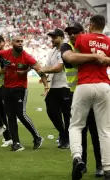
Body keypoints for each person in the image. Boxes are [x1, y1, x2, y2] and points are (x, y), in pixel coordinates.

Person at [62, 15, 110, 180]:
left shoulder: (82, 38)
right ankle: (107, 167)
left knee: (75, 126)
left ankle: (77, 157)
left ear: (90, 25)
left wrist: (92, 56)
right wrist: (102, 58)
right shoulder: (108, 41)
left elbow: (71, 58)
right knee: (104, 130)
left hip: (84, 85)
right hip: (104, 85)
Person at [41, 29, 71, 149]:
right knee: (51, 109)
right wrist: (46, 80)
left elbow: (58, 68)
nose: (52, 39)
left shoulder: (66, 50)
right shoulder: (52, 51)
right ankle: (63, 134)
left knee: (67, 114)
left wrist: (43, 70)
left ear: (61, 37)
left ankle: (67, 138)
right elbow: (48, 67)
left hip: (65, 86)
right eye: (51, 37)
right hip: (54, 86)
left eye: (54, 37)